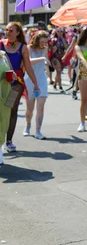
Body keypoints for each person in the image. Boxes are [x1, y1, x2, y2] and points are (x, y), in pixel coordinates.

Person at [0, 22, 40, 152]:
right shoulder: (0, 44)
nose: (8, 32)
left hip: (16, 83)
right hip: (1, 81)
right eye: (6, 30)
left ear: (17, 32)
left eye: (11, 30)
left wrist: (35, 84)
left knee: (11, 110)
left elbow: (28, 67)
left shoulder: (23, 47)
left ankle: (9, 140)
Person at [24, 31, 50, 140]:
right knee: (30, 109)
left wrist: (48, 71)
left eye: (46, 41)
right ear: (37, 40)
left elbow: (46, 62)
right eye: (42, 41)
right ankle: (28, 125)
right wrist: (43, 59)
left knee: (40, 107)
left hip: (42, 80)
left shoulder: (45, 49)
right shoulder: (29, 48)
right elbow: (28, 62)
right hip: (29, 80)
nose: (44, 44)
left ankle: (38, 131)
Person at [0, 49, 13, 166]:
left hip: (4, 94)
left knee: (3, 123)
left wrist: (12, 76)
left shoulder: (4, 55)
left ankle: (0, 152)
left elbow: (11, 71)